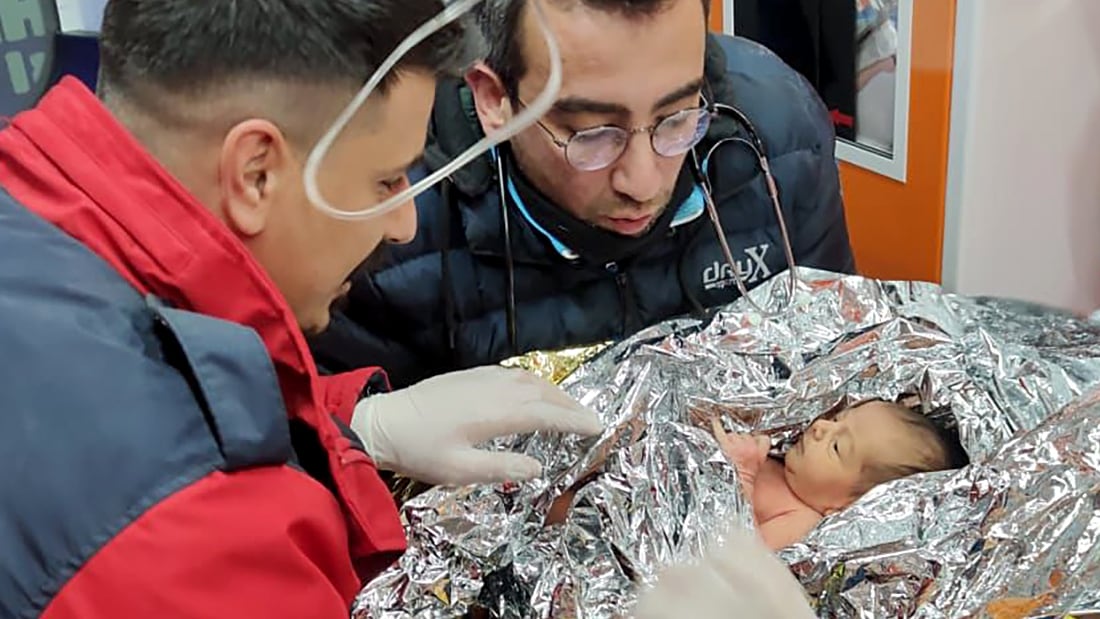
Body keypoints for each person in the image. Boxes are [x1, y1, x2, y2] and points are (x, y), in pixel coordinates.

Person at [0, 1, 605, 617]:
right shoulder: (195, 543)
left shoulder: (29, 204)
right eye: (387, 180)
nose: (402, 224)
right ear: (256, 174)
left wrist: (345, 429)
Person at [309, 0, 859, 389]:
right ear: (494, 99)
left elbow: (836, 358)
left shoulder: (779, 144)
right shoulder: (392, 221)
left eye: (676, 118)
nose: (643, 184)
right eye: (594, 134)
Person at [712, 399, 969, 549]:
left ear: (848, 507)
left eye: (837, 447)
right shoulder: (786, 467)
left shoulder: (800, 520)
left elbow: (742, 558)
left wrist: (743, 474)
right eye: (837, 419)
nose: (821, 427)